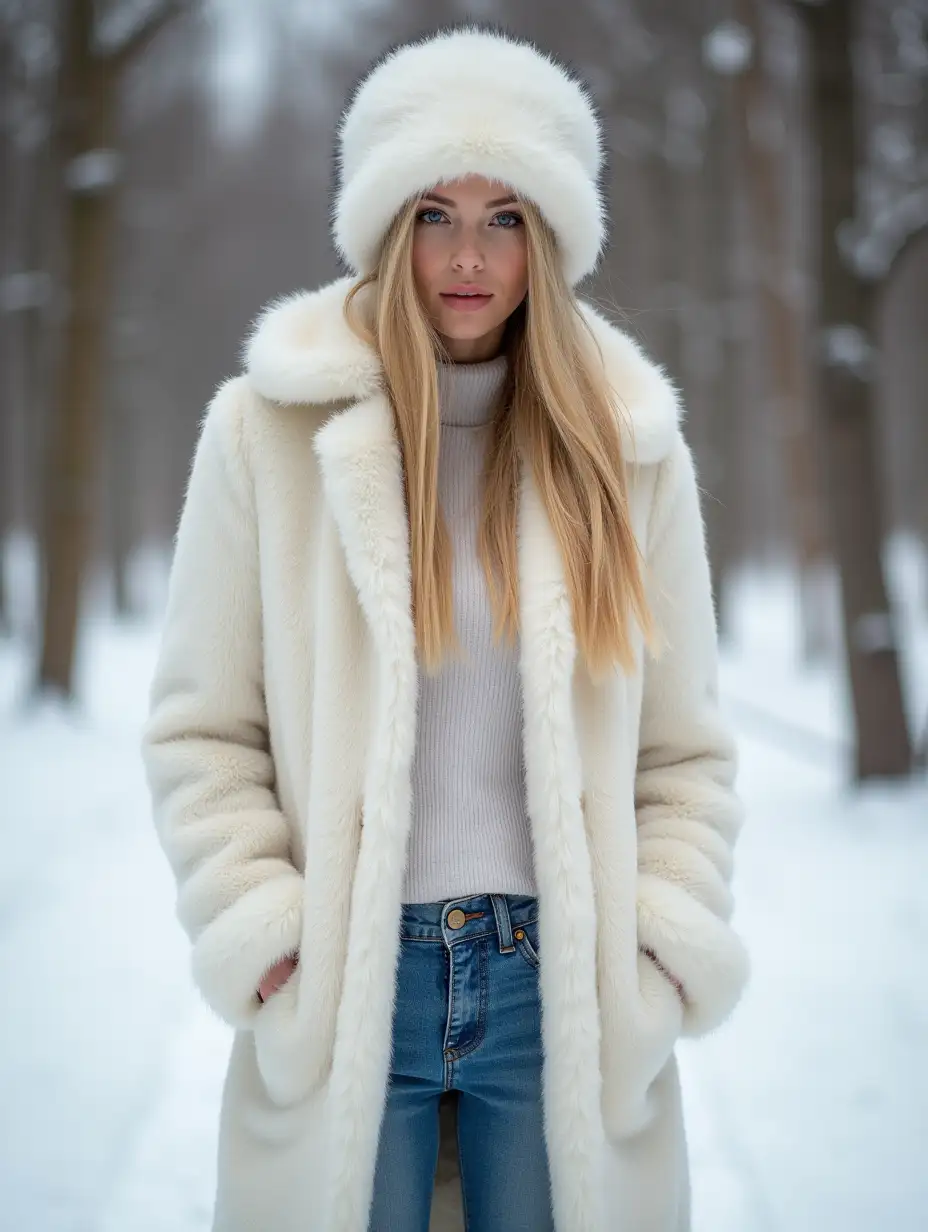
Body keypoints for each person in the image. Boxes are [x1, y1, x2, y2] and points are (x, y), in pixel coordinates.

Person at [141, 24, 749, 1232]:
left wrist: (654, 957)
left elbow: (683, 755)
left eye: (505, 215)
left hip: (560, 996)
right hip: (346, 989)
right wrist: (268, 938)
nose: (466, 255)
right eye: (432, 212)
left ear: (553, 234)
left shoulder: (629, 451)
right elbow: (203, 729)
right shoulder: (265, 431)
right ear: (379, 222)